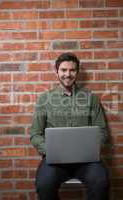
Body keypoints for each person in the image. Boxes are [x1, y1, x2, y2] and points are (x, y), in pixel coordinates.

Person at [30, 52, 110, 200]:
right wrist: (51, 150)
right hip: (55, 161)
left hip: (87, 161)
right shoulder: (44, 99)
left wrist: (92, 149)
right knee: (43, 185)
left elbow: (102, 131)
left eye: (72, 70)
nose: (68, 74)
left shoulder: (90, 98)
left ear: (77, 72)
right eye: (63, 70)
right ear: (56, 72)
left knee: (101, 182)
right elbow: (35, 134)